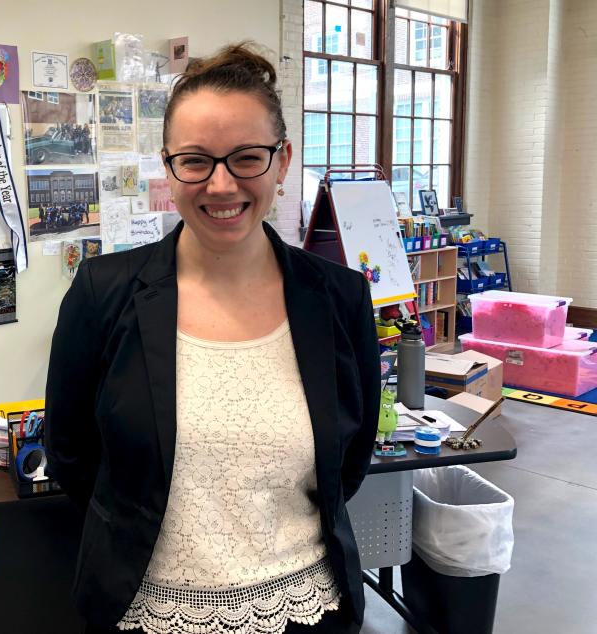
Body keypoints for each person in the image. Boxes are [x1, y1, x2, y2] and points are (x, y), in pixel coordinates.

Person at [45, 43, 379, 634]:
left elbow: (347, 462)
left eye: (247, 157)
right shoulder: (104, 291)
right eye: (196, 160)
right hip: (146, 612)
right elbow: (72, 456)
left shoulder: (339, 298)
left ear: (283, 160)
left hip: (306, 611)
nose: (221, 185)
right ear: (168, 165)